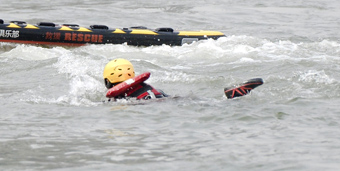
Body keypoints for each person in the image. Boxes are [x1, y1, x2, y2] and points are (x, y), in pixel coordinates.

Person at [103, 58, 264, 101]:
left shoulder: (118, 99)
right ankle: (230, 96)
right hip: (168, 99)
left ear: (108, 81)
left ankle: (232, 98)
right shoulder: (144, 85)